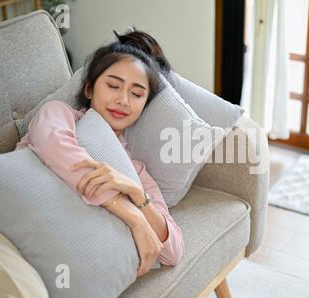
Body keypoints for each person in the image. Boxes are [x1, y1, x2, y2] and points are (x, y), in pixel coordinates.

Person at [15, 31, 185, 278]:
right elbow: (55, 147)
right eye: (113, 85)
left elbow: (174, 251)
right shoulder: (58, 114)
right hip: (15, 236)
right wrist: (132, 215)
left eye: (137, 94)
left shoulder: (135, 171)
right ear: (89, 88)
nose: (123, 100)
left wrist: (136, 193)